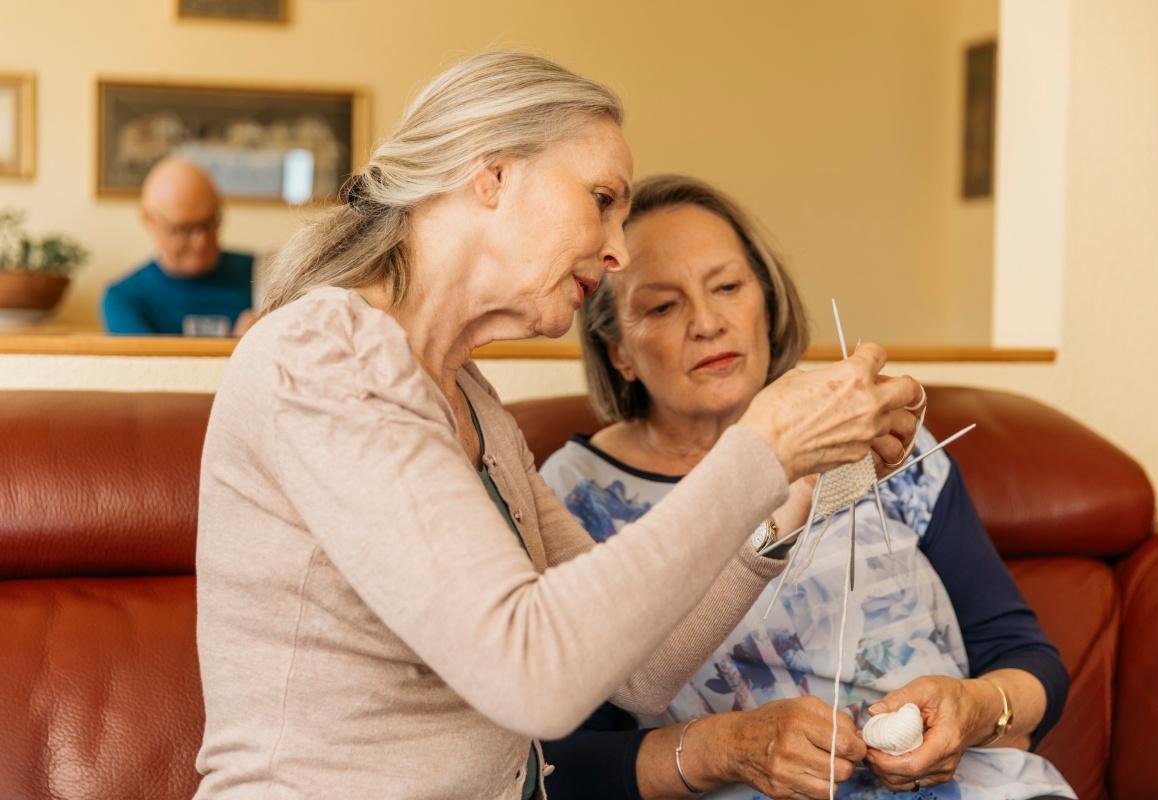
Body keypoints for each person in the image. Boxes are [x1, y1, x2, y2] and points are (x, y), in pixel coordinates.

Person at [192, 54, 923, 800]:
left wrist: (793, 486)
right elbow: (531, 674)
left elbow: (644, 670)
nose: (620, 251)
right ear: (491, 175)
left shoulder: (472, 402)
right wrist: (763, 447)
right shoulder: (322, 359)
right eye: (602, 199)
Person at [539, 175, 1075, 800]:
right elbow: (561, 762)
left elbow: (1024, 656)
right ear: (618, 353)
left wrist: (978, 707)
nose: (708, 323)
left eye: (728, 288)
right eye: (662, 306)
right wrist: (729, 748)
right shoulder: (575, 500)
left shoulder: (880, 440)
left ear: (765, 303)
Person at [101, 156, 256, 335]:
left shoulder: (265, 275)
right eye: (183, 229)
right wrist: (243, 347)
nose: (201, 241)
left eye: (209, 223)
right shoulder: (125, 299)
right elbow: (149, 364)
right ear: (149, 221)